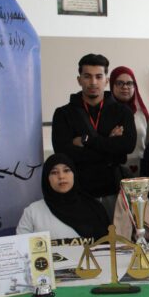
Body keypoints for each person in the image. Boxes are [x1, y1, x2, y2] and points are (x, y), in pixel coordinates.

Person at [51, 53, 136, 218]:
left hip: (114, 190)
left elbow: (128, 145)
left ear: (106, 80)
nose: (93, 82)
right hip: (80, 191)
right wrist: (111, 148)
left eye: (98, 76)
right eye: (87, 76)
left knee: (116, 234)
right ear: (79, 80)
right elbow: (64, 152)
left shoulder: (122, 112)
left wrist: (86, 141)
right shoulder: (63, 114)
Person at [17, 154, 109, 241]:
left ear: (74, 174)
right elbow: (20, 248)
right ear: (46, 178)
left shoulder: (95, 209)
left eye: (66, 170)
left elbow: (107, 246)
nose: (61, 176)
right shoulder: (32, 212)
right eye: (54, 172)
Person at [110, 66, 149, 177]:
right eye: (119, 83)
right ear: (112, 85)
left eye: (129, 83)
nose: (125, 87)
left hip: (142, 168)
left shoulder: (141, 114)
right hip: (115, 170)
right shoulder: (105, 114)